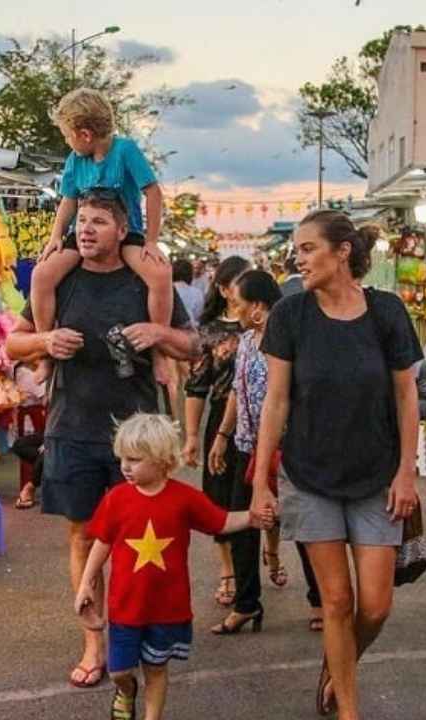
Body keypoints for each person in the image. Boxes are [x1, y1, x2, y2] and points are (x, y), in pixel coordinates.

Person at [5, 191, 195, 691]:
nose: (86, 230)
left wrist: (158, 334)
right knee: (84, 535)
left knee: (140, 540)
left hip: (138, 437)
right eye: (82, 221)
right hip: (73, 428)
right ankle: (94, 641)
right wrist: (45, 343)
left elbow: (192, 346)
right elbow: (12, 343)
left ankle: (140, 633)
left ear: (122, 229)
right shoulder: (61, 280)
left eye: (99, 222)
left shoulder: (144, 279)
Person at [251, 210, 423, 720]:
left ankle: (338, 666)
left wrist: (407, 471)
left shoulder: (387, 311)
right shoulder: (290, 315)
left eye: (307, 248)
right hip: (309, 475)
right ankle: (348, 709)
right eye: (297, 250)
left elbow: (406, 395)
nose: (297, 258)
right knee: (336, 601)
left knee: (375, 605)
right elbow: (276, 402)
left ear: (342, 251)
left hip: (377, 475)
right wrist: (261, 480)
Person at [77, 413, 258, 720]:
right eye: (122, 458)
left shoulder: (184, 498)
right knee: (120, 670)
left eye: (134, 459)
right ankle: (126, 689)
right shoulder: (117, 499)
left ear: (162, 460)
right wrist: (86, 583)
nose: (125, 466)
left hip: (166, 608)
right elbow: (102, 543)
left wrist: (252, 517)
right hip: (125, 608)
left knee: (156, 670)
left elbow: (222, 521)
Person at [30, 87, 173, 387]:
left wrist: (150, 239)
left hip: (127, 232)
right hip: (85, 234)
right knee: (42, 274)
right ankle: (45, 352)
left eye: (67, 136)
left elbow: (153, 192)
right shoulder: (74, 160)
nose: (67, 142)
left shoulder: (125, 151)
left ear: (84, 134)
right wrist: (56, 236)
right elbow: (68, 200)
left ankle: (160, 349)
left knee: (160, 275)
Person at [210, 270, 324, 634]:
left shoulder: (290, 340)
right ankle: (246, 604)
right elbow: (235, 391)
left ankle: (320, 600)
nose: (235, 310)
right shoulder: (244, 341)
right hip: (247, 447)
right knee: (243, 525)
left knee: (303, 525)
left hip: (287, 450)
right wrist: (223, 434)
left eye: (239, 304)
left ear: (258, 307)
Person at [182, 255, 253, 608]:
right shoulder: (208, 332)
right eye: (241, 281)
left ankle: (264, 559)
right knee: (220, 500)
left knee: (260, 494)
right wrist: (193, 436)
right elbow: (196, 388)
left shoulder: (267, 325)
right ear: (224, 289)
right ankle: (228, 571)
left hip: (261, 424)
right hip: (221, 429)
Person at [173, 260, 204, 328]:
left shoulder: (165, 290)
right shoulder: (197, 293)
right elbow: (198, 315)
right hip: (189, 330)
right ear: (190, 274)